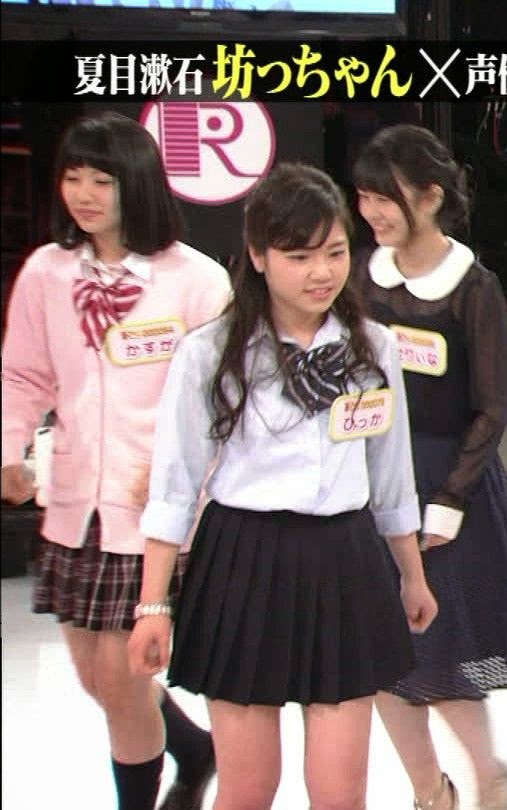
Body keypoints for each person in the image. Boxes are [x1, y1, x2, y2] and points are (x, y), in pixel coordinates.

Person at [126, 162, 439, 810]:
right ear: (258, 255)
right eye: (299, 256)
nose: (321, 272)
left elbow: (391, 478)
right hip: (244, 559)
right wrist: (153, 605)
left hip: (345, 560)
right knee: (248, 789)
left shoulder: (373, 348)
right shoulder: (212, 351)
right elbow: (175, 485)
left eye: (334, 252)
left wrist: (412, 575)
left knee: (340, 793)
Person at [0, 111, 229, 810]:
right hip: (75, 504)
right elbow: (23, 375)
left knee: (122, 678)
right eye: (73, 177)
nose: (84, 194)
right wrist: (8, 449)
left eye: (102, 179)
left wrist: (189, 482)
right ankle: (193, 748)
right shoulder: (47, 272)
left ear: (138, 183)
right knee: (96, 679)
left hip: (152, 515)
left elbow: (224, 402)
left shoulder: (195, 280)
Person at [355, 124, 507, 810]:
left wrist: (448, 501)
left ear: (431, 196)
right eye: (365, 197)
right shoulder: (364, 274)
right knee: (378, 654)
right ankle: (428, 792)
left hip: (447, 485)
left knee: (440, 653)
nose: (373, 211)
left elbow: (492, 409)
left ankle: (489, 777)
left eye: (386, 197)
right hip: (371, 481)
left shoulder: (473, 287)